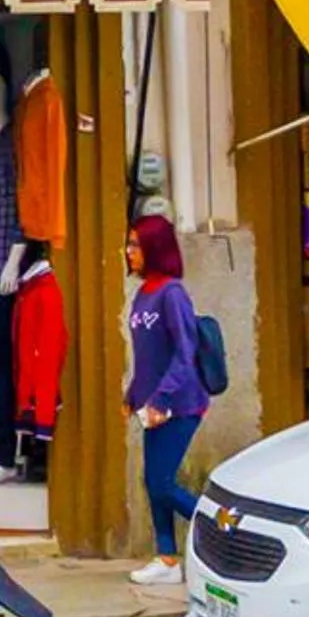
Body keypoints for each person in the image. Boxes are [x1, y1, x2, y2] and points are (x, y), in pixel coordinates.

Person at [122, 215, 210, 589]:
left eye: (136, 244)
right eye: (129, 244)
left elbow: (184, 351)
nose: (129, 251)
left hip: (180, 404)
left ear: (155, 248)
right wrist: (133, 395)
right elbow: (147, 355)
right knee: (153, 480)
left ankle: (221, 528)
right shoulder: (144, 292)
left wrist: (161, 397)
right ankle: (167, 559)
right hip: (152, 406)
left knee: (160, 482)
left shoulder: (172, 294)